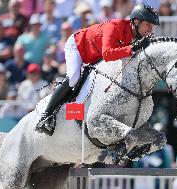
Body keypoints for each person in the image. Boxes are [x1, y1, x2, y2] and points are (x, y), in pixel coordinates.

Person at [35, 3, 160, 136]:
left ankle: (77, 112)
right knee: (73, 78)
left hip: (94, 56)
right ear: (136, 21)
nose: (150, 30)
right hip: (77, 47)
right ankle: (45, 116)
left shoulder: (137, 37)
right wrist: (134, 48)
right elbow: (107, 54)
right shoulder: (115, 26)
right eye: (148, 25)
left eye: (152, 27)